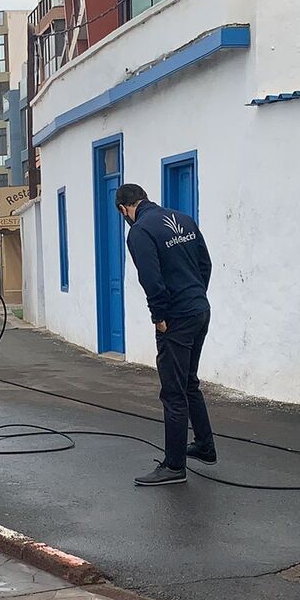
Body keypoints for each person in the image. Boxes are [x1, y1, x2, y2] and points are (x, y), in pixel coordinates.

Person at [116, 183, 216, 487]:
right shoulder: (182, 219)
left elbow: (151, 278)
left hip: (175, 318)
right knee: (189, 383)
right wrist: (196, 295)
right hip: (199, 309)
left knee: (173, 391)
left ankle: (174, 466)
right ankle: (204, 446)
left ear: (125, 209)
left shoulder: (140, 231)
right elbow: (205, 263)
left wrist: (158, 316)